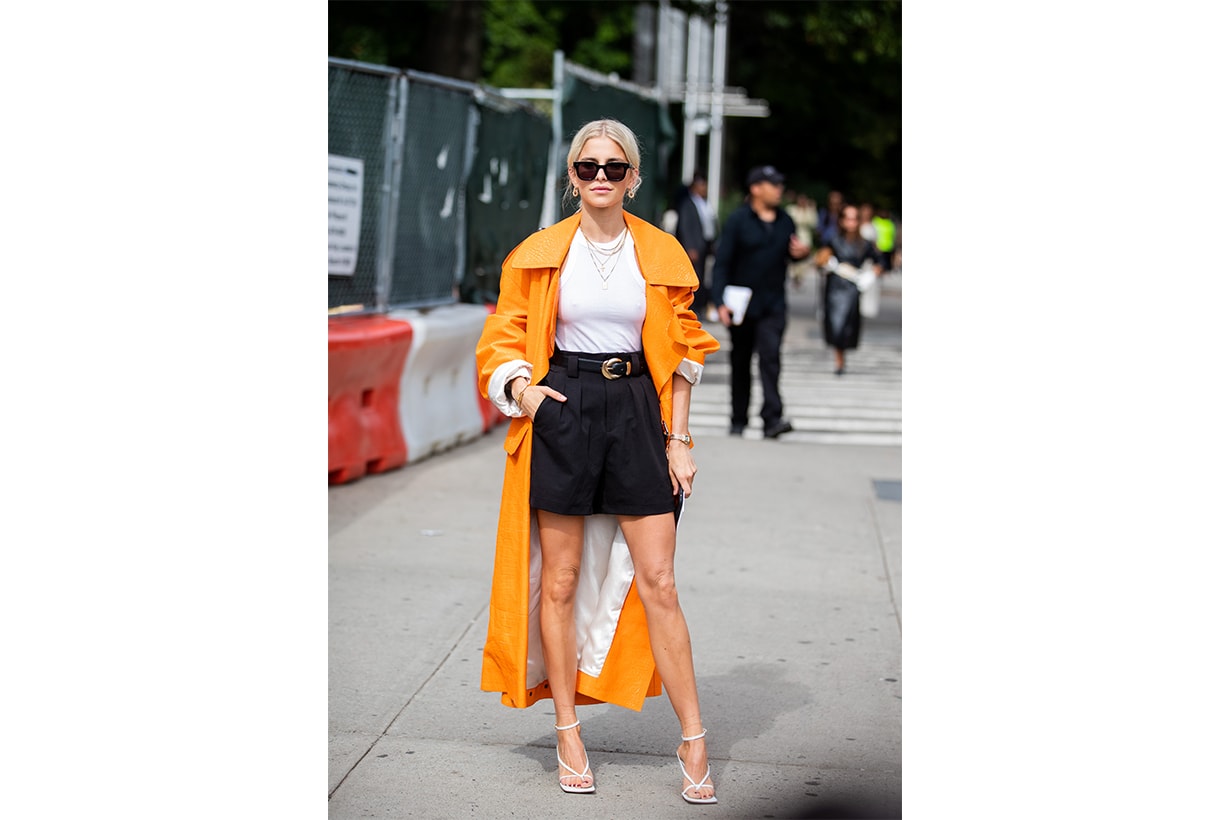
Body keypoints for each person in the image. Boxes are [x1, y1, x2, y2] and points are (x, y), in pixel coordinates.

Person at [475, 118, 721, 805]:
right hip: (565, 407)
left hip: (640, 409)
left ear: (634, 177)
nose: (602, 178)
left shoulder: (662, 252)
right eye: (589, 168)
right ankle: (567, 728)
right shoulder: (539, 252)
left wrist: (680, 439)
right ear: (572, 177)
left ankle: (694, 736)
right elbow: (502, 338)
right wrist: (525, 393)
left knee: (661, 580)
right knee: (557, 581)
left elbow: (682, 354)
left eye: (615, 168)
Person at [710, 165, 811, 439]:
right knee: (741, 362)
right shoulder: (738, 220)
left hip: (773, 304)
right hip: (741, 306)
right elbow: (722, 264)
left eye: (779, 184)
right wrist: (719, 301)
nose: (779, 189)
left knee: (770, 359)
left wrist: (802, 254)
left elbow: (792, 255)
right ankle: (738, 418)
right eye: (773, 184)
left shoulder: (785, 220)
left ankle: (772, 419)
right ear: (756, 188)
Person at [815, 203, 882, 375]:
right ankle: (839, 360)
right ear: (842, 221)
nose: (851, 223)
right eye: (848, 218)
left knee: (847, 325)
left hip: (852, 289)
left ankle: (842, 356)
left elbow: (880, 262)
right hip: (835, 287)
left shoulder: (865, 244)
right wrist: (826, 263)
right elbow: (820, 259)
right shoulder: (833, 240)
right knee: (835, 324)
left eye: (854, 219)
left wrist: (871, 275)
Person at [673, 173, 718, 320]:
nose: (704, 188)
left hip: (704, 245)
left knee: (703, 277)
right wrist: (690, 247)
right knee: (694, 278)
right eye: (702, 185)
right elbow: (685, 226)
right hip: (694, 247)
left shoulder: (704, 203)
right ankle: (692, 307)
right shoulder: (688, 204)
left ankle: (700, 307)